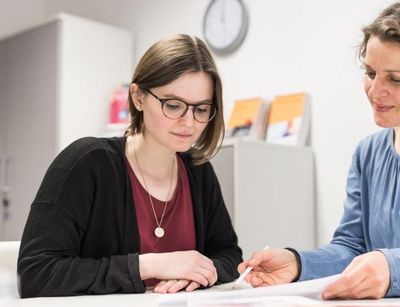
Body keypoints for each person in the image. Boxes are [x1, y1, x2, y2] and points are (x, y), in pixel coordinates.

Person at [17, 34, 242, 298]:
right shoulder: (86, 163)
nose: (189, 123)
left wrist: (199, 274)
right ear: (138, 97)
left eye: (201, 109)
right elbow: (36, 273)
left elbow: (228, 255)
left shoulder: (197, 168)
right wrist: (149, 265)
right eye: (173, 105)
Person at [238, 2, 400, 300]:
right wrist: (299, 264)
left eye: (396, 78)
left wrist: (392, 267)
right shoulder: (368, 154)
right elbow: (352, 247)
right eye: (370, 72)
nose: (375, 91)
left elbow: (384, 265)